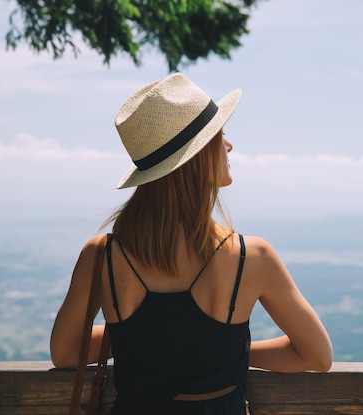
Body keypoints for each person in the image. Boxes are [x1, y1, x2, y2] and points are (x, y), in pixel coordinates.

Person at [50, 73, 333, 414]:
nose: (229, 146)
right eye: (220, 135)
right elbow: (316, 356)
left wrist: (141, 345)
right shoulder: (251, 257)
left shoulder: (101, 257)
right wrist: (226, 353)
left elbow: (66, 353)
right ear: (198, 158)